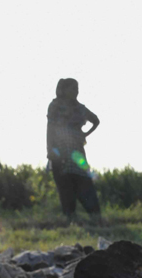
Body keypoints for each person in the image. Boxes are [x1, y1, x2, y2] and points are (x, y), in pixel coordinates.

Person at [46, 78, 101, 220]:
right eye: (72, 89)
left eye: (77, 89)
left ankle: (95, 216)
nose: (76, 92)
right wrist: (50, 149)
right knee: (65, 186)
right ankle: (71, 218)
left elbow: (96, 120)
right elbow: (50, 128)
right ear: (63, 90)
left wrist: (85, 134)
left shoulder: (80, 108)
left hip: (77, 152)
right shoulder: (55, 106)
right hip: (60, 151)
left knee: (84, 182)